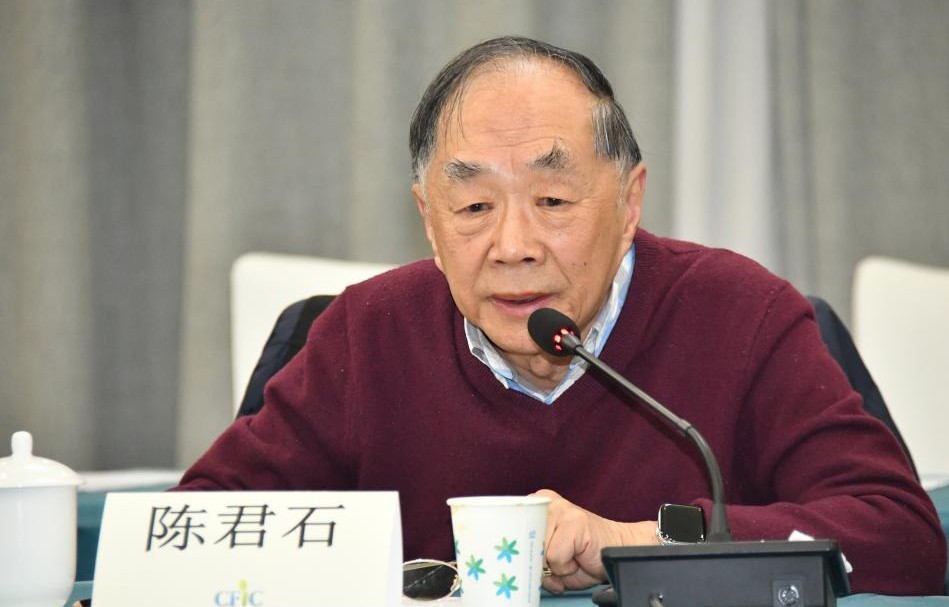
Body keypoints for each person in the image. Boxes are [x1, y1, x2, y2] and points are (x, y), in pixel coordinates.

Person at [176, 36, 946, 595]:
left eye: (551, 200)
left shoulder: (740, 315)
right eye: (473, 207)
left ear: (628, 201)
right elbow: (191, 537)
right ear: (428, 221)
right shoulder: (366, 332)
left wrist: (643, 541)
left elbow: (904, 541)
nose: (513, 245)